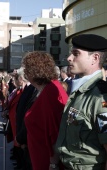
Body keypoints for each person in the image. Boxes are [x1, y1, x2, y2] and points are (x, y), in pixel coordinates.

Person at [56, 34, 107, 170]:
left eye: (76, 54)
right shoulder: (80, 91)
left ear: (94, 58)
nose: (69, 58)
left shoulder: (100, 96)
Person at [22, 51, 68, 170]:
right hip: (41, 156)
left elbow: (55, 132)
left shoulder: (50, 92)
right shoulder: (47, 89)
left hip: (47, 160)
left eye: (26, 68)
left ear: (34, 70)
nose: (24, 73)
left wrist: (53, 164)